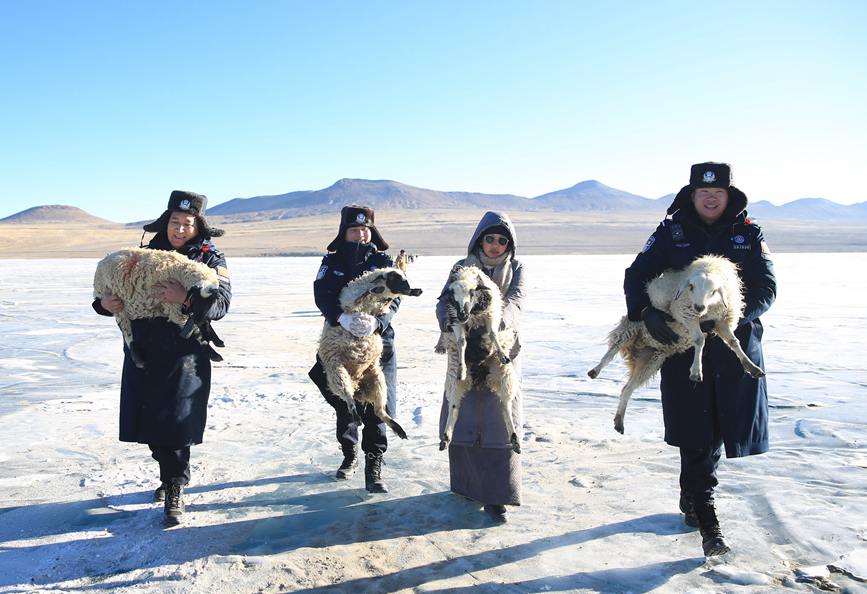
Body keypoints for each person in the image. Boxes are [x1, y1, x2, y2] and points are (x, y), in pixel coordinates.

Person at [623, 162, 776, 556]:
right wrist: (645, 312)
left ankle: (693, 492)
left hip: (731, 345)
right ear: (692, 195)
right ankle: (708, 518)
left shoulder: (747, 233)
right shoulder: (671, 231)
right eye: (702, 192)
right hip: (682, 344)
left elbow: (766, 287)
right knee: (694, 428)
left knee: (720, 429)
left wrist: (735, 317)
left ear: (729, 195)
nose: (710, 197)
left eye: (718, 192)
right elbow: (636, 274)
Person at [92, 191, 232, 525]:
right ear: (165, 221)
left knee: (175, 421)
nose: (180, 230)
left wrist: (186, 298)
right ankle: (169, 472)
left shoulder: (210, 258)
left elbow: (222, 304)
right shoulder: (143, 254)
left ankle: (174, 487)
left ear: (198, 226)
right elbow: (111, 292)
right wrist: (104, 305)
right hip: (143, 348)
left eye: (187, 224)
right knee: (151, 422)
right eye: (175, 222)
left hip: (184, 351)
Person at [436, 211, 525, 521]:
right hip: (464, 348)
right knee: (464, 413)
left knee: (499, 416)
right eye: (490, 239)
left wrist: (498, 320)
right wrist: (449, 322)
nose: (495, 246)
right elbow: (444, 300)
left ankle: (497, 495)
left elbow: (516, 299)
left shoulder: (514, 268)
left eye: (502, 241)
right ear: (479, 240)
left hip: (500, 348)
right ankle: (467, 486)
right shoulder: (462, 268)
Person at [309, 205, 401, 493]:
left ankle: (374, 462)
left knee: (378, 404)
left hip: (377, 344)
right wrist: (340, 317)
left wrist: (379, 321)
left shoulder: (382, 261)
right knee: (344, 401)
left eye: (365, 229)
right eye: (354, 229)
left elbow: (396, 297)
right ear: (344, 232)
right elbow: (321, 294)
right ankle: (349, 454)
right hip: (340, 341)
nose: (361, 234)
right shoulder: (331, 262)